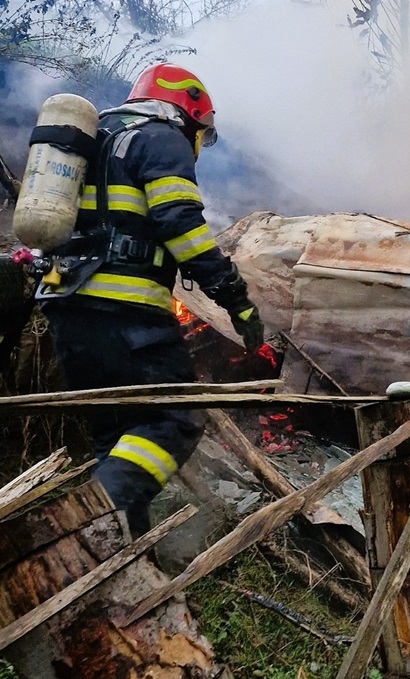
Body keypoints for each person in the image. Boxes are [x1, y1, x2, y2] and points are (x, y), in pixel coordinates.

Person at [35, 63, 264, 536]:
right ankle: (89, 527)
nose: (197, 144)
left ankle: (119, 557)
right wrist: (236, 299)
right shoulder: (161, 138)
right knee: (174, 419)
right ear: (189, 115)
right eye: (201, 133)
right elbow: (180, 225)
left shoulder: (95, 139)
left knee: (117, 436)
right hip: (127, 317)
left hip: (68, 313)